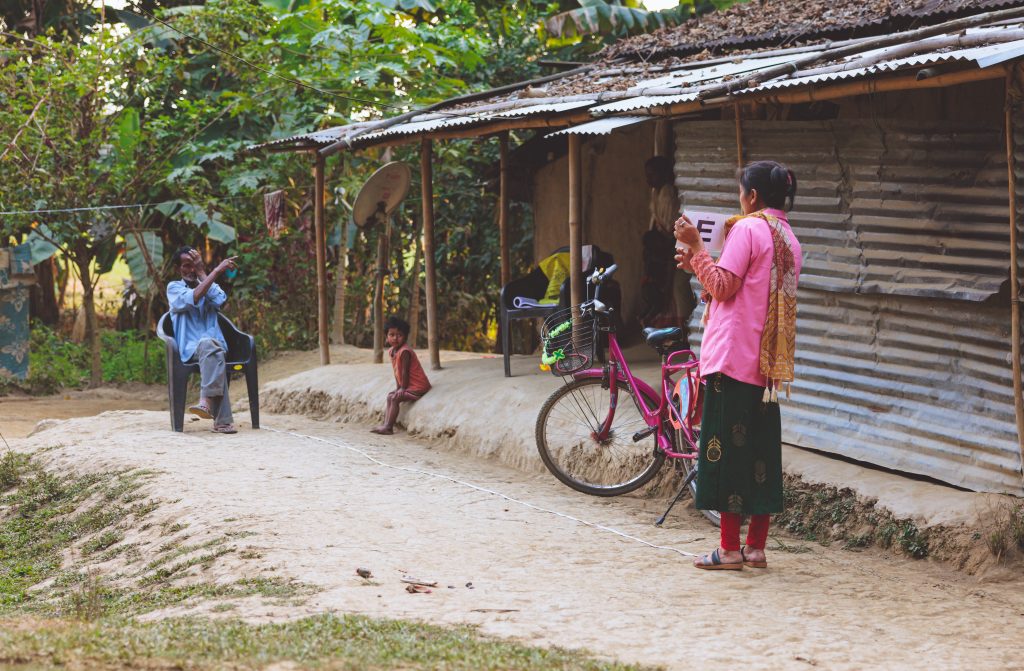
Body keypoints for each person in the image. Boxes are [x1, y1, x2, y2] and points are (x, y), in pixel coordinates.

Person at [674, 160, 801, 571]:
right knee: (760, 454)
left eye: (740, 191)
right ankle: (757, 548)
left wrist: (697, 248)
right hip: (767, 367)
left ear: (752, 196)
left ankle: (728, 549)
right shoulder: (789, 238)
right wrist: (701, 263)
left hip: (733, 360)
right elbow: (747, 293)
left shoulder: (747, 228)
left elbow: (723, 287)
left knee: (724, 452)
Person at [166, 246, 239, 434]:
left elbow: (220, 299)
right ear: (178, 269)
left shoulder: (207, 284)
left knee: (212, 350)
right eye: (186, 266)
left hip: (216, 346)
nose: (191, 270)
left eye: (195, 266)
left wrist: (202, 272)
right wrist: (216, 271)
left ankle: (206, 403)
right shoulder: (174, 288)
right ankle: (222, 420)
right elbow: (194, 296)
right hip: (190, 349)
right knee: (211, 350)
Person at [643, 156, 696, 335]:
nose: (648, 179)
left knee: (679, 287)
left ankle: (684, 330)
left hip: (676, 246)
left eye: (652, 174)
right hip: (669, 247)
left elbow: (669, 229)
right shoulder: (657, 194)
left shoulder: (667, 193)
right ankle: (681, 329)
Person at [371, 316, 431, 436]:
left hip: (418, 387)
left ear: (405, 337)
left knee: (395, 398)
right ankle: (385, 424)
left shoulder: (405, 351)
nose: (395, 338)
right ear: (386, 336)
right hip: (408, 385)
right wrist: (398, 387)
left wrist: (403, 388)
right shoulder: (392, 351)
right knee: (390, 396)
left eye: (399, 335)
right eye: (391, 334)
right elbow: (396, 371)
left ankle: (389, 427)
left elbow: (404, 372)